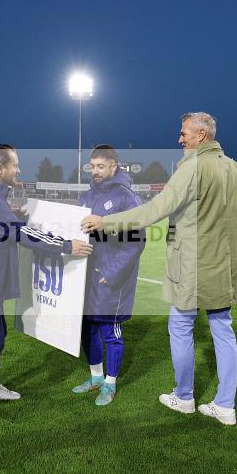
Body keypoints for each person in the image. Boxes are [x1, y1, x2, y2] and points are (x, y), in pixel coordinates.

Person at [82, 113, 237, 425]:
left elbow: (154, 210)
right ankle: (225, 406)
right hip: (227, 266)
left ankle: (184, 397)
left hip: (193, 266)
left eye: (184, 133)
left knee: (182, 325)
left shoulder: (192, 167)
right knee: (223, 328)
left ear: (201, 135)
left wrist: (106, 222)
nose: (180, 138)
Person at [0, 144, 94, 425]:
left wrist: (14, 213)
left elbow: (5, 224)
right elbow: (19, 233)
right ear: (0, 169)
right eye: (14, 164)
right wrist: (65, 245)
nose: (18, 169)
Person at [72, 145, 146, 406]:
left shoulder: (127, 198)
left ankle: (110, 384)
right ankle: (95, 377)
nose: (95, 171)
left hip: (109, 278)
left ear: (114, 167)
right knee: (87, 328)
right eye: (92, 167)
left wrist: (111, 272)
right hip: (85, 277)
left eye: (100, 166)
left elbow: (136, 242)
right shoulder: (87, 195)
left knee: (109, 330)